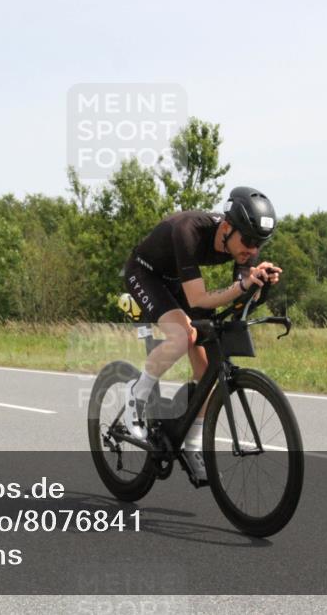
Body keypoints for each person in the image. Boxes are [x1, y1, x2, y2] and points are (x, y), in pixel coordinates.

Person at [123, 187, 282, 480]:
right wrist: (243, 286)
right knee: (183, 335)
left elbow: (238, 300)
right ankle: (136, 395)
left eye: (260, 244)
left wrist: (261, 285)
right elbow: (197, 299)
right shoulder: (189, 230)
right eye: (248, 241)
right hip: (146, 275)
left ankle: (191, 444)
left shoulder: (242, 248)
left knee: (209, 369)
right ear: (227, 227)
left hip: (179, 283)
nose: (252, 250)